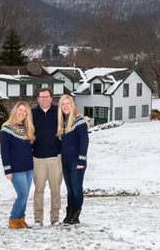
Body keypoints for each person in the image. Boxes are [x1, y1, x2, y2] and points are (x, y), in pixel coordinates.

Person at [0, 101, 35, 229]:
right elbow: (4, 151)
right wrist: (7, 170)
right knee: (22, 194)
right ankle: (13, 218)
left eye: (25, 111)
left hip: (28, 168)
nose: (22, 113)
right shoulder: (7, 128)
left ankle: (21, 219)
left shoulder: (27, 128)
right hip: (16, 169)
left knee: (25, 196)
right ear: (15, 111)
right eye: (20, 110)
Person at [56, 94, 89, 225]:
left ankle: (76, 215)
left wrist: (81, 160)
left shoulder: (79, 120)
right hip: (65, 161)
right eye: (63, 104)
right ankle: (69, 215)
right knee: (69, 190)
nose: (65, 106)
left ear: (72, 105)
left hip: (77, 161)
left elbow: (84, 141)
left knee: (76, 189)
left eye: (68, 104)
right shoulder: (62, 122)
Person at [31, 88, 62, 227]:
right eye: (41, 97)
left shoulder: (59, 111)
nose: (44, 99)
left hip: (56, 158)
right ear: (38, 99)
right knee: (39, 190)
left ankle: (55, 219)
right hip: (38, 159)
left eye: (47, 97)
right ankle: (38, 219)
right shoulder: (32, 114)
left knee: (55, 190)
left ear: (51, 98)